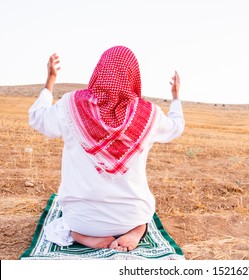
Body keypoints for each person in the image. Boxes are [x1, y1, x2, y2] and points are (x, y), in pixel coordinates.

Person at [29, 46, 185, 252]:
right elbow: (176, 127)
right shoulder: (150, 114)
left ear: (99, 71)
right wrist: (175, 98)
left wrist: (49, 82)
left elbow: (37, 117)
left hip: (82, 219)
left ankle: (81, 235)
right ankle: (137, 229)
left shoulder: (70, 105)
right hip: (130, 216)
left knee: (72, 222)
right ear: (134, 76)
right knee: (142, 218)